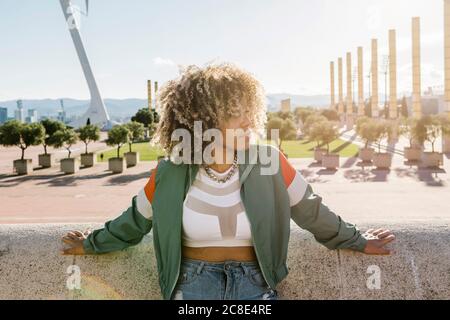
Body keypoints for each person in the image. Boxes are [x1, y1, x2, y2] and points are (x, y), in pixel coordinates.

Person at [62, 63, 395, 300]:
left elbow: (310, 211)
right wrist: (90, 243)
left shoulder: (269, 161)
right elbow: (134, 222)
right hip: (192, 287)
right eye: (237, 112)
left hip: (256, 285)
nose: (250, 120)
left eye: (250, 109)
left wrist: (357, 240)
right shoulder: (170, 172)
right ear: (203, 119)